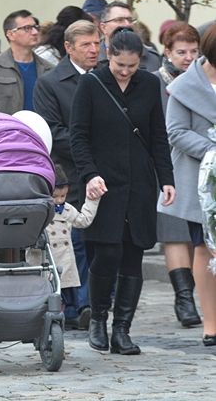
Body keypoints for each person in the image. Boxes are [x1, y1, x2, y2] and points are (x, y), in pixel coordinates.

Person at [70, 27, 175, 355]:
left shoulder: (149, 83)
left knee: (133, 256)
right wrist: (89, 175)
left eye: (131, 65)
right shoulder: (91, 84)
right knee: (107, 252)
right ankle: (98, 318)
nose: (126, 71)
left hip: (140, 183)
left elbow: (158, 135)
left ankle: (122, 329)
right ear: (108, 54)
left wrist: (166, 178)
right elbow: (78, 136)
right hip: (103, 183)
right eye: (119, 65)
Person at [34, 19, 101, 330]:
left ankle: (95, 301)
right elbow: (54, 132)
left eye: (97, 43)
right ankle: (78, 304)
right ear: (69, 47)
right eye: (86, 44)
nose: (93, 49)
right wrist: (92, 151)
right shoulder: (51, 83)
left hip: (108, 173)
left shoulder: (105, 78)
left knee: (103, 241)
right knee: (75, 242)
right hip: (70, 174)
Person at [159, 23, 216, 346]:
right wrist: (212, 150)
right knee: (205, 247)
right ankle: (211, 324)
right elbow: (177, 132)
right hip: (203, 179)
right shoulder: (184, 87)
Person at [152, 22, 203, 328]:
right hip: (167, 165)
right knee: (174, 234)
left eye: (193, 51)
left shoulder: (203, 80)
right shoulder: (156, 81)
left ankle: (197, 295)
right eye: (181, 52)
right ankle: (184, 299)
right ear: (167, 52)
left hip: (202, 166)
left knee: (200, 237)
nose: (187, 57)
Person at [25, 165, 100, 294]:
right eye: (55, 197)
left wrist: (92, 200)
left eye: (63, 196)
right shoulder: (36, 210)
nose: (59, 201)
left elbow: (83, 220)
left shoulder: (67, 209)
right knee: (44, 292)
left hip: (64, 263)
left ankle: (73, 310)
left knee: (65, 292)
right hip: (43, 260)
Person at [0, 9, 54, 115]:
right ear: (10, 34)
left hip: (41, 129)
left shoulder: (49, 69)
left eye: (36, 27)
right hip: (5, 129)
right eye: (27, 28)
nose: (35, 32)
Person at [98, 1, 162, 71]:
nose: (127, 24)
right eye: (119, 20)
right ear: (103, 27)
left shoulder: (151, 58)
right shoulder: (93, 57)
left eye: (130, 20)